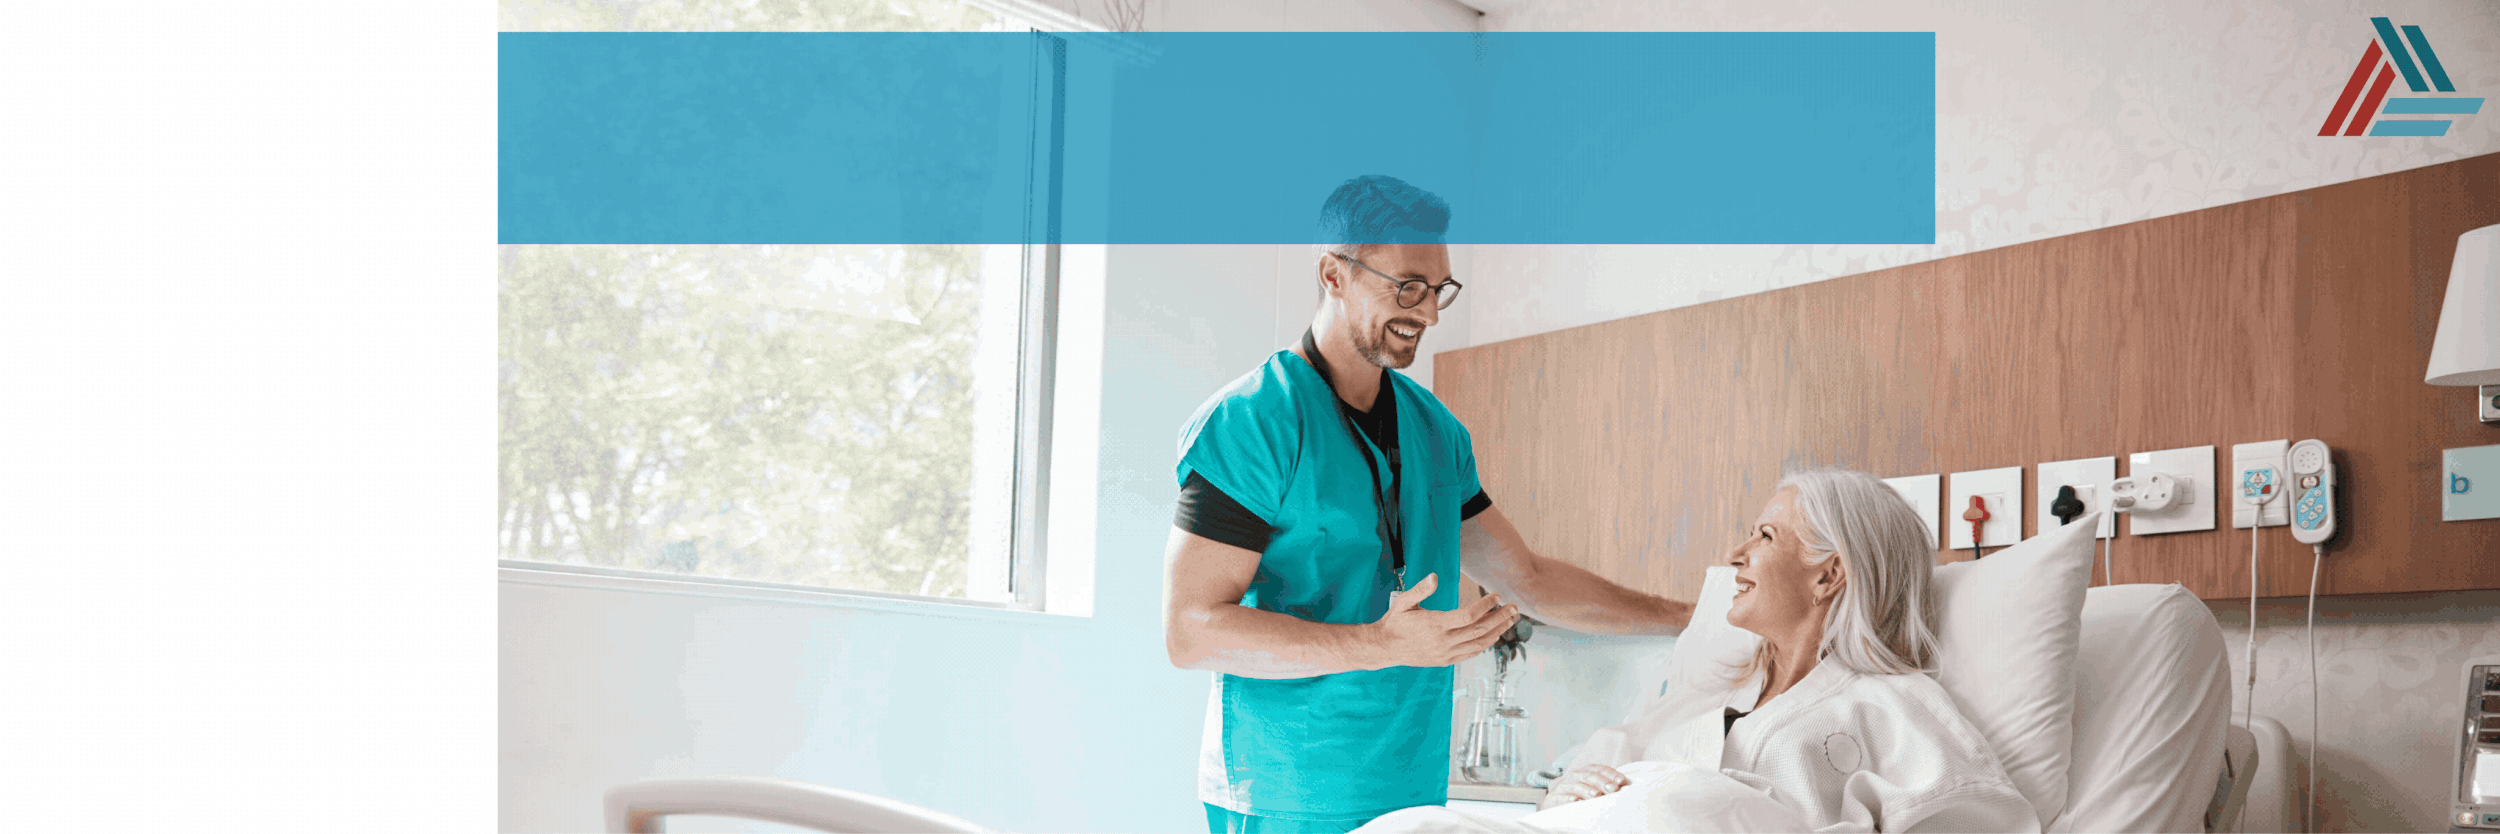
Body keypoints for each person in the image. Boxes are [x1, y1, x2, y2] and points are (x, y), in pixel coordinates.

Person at [1164, 175, 1697, 834]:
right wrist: (1378, 644)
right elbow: (1190, 631)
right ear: (1333, 274)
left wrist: (1689, 619)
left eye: (1439, 290)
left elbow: (1527, 579)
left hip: (1412, 797)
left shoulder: (1437, 433)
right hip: (1287, 795)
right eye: (1408, 286)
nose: (1430, 313)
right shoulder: (1253, 422)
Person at [1359, 468, 2034, 833]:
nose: (1735, 556)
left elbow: (1972, 820)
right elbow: (1592, 777)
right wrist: (1565, 794)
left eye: (1765, 538)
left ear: (1829, 574)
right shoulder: (1709, 697)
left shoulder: (1891, 704)